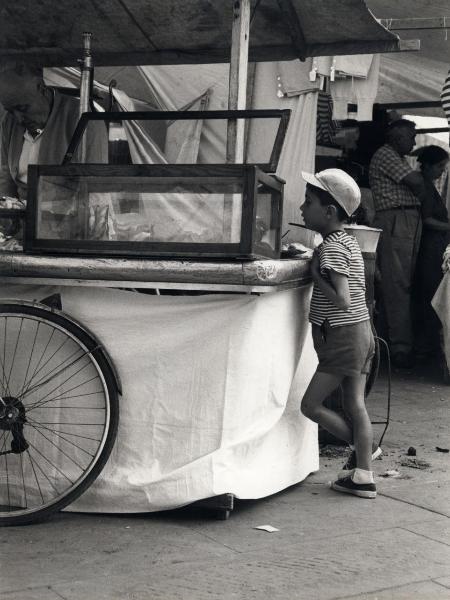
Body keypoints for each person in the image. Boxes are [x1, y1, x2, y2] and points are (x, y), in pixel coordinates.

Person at [300, 168, 380, 499]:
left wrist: (314, 276)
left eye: (308, 202)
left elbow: (343, 300)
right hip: (360, 335)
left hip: (344, 336)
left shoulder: (332, 248)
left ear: (329, 212)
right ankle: (363, 469)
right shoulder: (346, 241)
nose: (302, 209)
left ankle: (363, 457)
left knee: (309, 405)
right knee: (354, 403)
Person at [0, 60, 108, 201]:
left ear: (41, 87)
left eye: (23, 108)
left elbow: (95, 190)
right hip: (22, 216)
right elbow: (6, 177)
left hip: (69, 216)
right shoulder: (9, 121)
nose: (19, 119)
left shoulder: (84, 120)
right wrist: (8, 215)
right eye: (11, 110)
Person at [369, 118, 425, 369]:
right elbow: (416, 183)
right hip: (395, 218)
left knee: (402, 282)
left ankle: (396, 343)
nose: (414, 141)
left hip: (404, 218)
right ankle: (400, 347)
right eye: (411, 136)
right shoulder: (386, 154)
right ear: (397, 137)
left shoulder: (398, 158)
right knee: (397, 283)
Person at [414, 145, 450, 359]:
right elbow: (427, 219)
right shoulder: (425, 187)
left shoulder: (430, 186)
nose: (441, 171)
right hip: (429, 248)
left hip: (437, 246)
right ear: (426, 166)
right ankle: (425, 346)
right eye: (439, 167)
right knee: (429, 295)